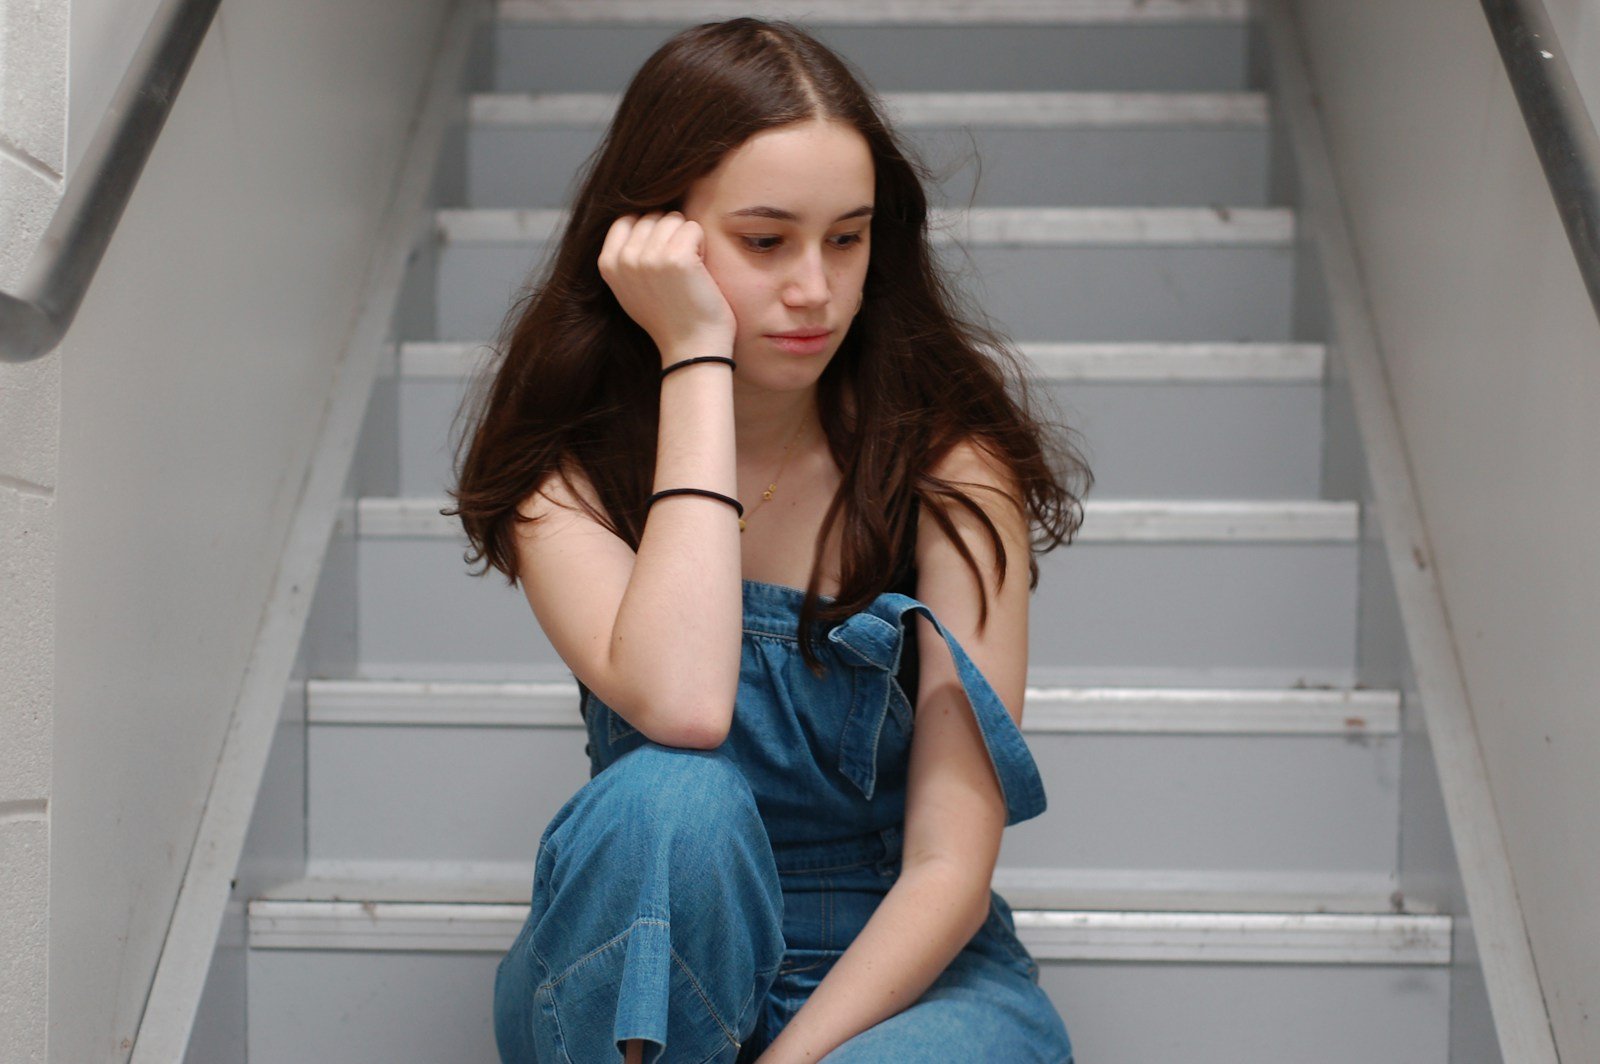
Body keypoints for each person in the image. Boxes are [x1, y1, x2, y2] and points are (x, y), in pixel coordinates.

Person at [445, 16, 1091, 1064]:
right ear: (653, 237)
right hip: (646, 943)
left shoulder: (949, 465)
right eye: (763, 240)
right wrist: (694, 353)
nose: (815, 289)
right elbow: (687, 707)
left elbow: (947, 863)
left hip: (893, 974)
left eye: (847, 236)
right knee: (671, 794)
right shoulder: (562, 471)